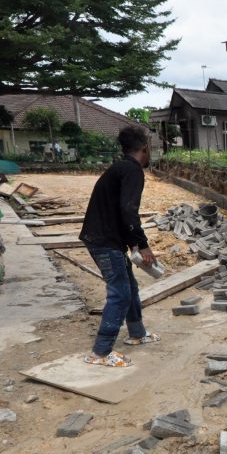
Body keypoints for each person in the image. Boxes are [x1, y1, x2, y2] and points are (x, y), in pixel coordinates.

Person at [78, 126, 159, 367]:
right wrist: (142, 245)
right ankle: (100, 352)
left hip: (105, 237)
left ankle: (137, 333)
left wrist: (133, 245)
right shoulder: (132, 171)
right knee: (120, 292)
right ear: (145, 148)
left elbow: (121, 211)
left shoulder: (120, 167)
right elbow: (128, 210)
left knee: (130, 286)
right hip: (104, 241)